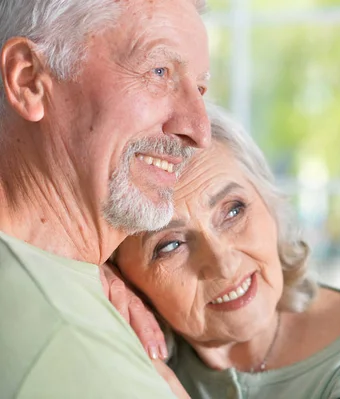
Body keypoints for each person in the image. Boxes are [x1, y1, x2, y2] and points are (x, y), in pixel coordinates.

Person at [110, 104, 340, 398]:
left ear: (269, 204)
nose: (221, 263)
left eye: (233, 210)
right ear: (125, 277)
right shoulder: (118, 350)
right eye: (169, 245)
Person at [0, 0, 212, 397]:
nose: (200, 130)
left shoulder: (77, 284)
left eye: (199, 89)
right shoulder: (64, 341)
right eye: (159, 71)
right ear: (29, 79)